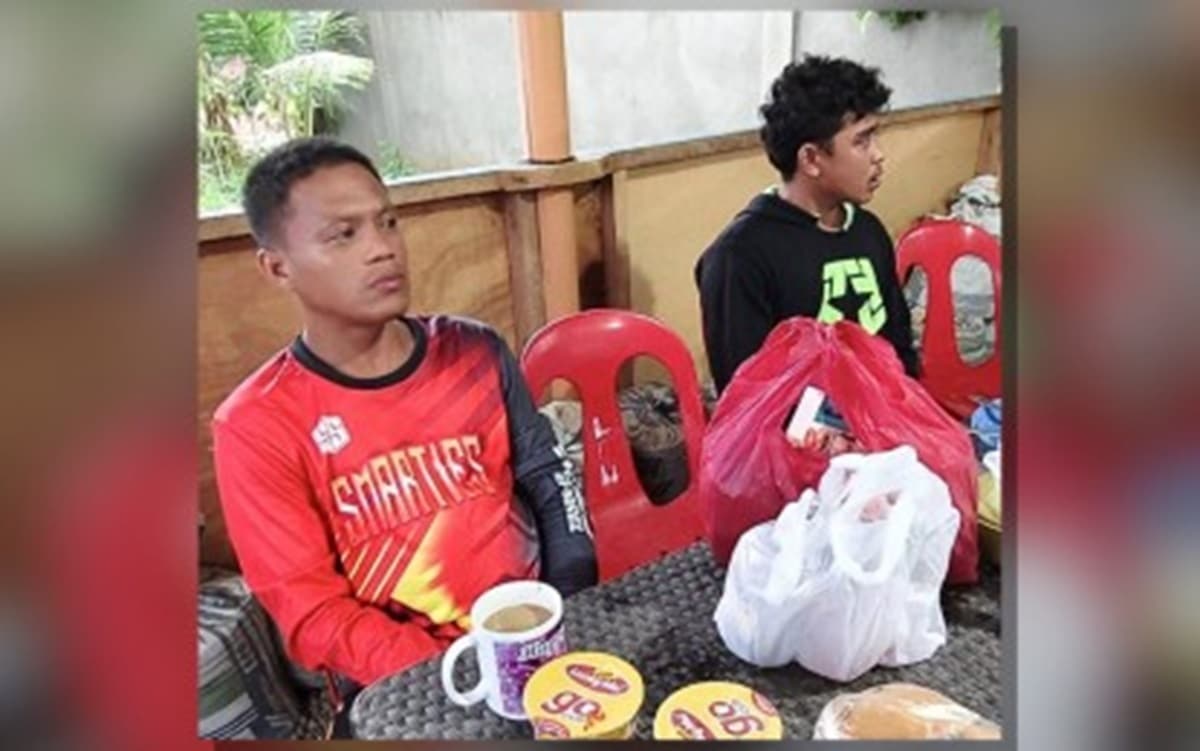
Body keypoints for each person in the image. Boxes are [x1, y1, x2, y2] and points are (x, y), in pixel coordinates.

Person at [211, 138, 598, 704]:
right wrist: (456, 671)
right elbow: (313, 612)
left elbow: (545, 470)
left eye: (387, 223)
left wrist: (566, 597)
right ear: (277, 267)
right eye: (344, 234)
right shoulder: (257, 424)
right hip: (404, 686)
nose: (382, 249)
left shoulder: (475, 351)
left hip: (533, 635)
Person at [695, 55, 919, 394]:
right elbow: (747, 401)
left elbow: (901, 353)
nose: (878, 154)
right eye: (862, 140)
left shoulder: (868, 231)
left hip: (883, 427)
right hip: (795, 440)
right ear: (811, 159)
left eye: (875, 136)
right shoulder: (740, 257)